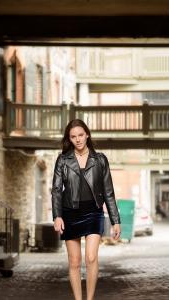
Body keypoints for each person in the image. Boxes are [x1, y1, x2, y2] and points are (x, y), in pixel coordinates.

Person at [51, 119, 121, 300]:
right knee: (74, 262)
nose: (78, 140)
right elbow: (57, 190)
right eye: (73, 137)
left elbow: (108, 192)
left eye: (81, 135)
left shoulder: (100, 160)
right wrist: (57, 216)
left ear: (87, 135)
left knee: (91, 258)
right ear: (69, 139)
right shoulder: (63, 160)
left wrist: (115, 220)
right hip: (69, 212)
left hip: (94, 212)